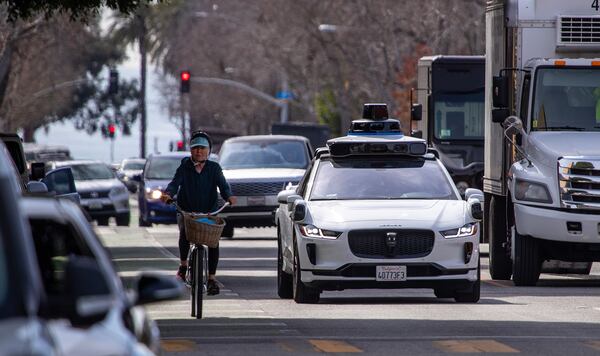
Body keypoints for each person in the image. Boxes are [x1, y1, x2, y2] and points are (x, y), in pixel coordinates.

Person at [161, 131, 236, 295]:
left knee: (214, 242)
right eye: (195, 148)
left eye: (202, 148)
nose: (199, 151)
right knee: (184, 233)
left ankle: (211, 278)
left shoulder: (214, 168)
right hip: (187, 211)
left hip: (209, 212)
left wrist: (229, 196)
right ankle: (183, 266)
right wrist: (168, 194)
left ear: (208, 151)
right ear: (190, 150)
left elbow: (223, 186)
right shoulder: (185, 166)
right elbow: (174, 184)